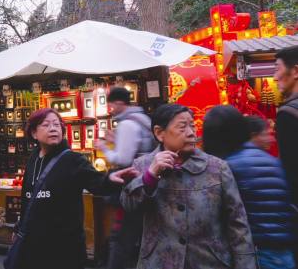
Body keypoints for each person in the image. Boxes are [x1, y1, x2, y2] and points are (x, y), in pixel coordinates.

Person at [121, 103, 257, 268]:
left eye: (192, 126)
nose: (191, 133)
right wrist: (151, 175)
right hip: (159, 262)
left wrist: (246, 264)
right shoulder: (142, 166)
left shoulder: (217, 168)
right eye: (182, 127)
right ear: (159, 133)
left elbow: (237, 223)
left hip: (209, 262)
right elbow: (129, 205)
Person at [5, 108, 137, 269]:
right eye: (46, 125)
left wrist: (110, 179)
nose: (53, 128)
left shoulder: (73, 160)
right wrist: (19, 228)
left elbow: (97, 183)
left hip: (64, 247)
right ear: (34, 133)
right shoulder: (33, 159)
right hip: (33, 245)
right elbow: (27, 198)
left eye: (56, 124)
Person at [203, 105, 295, 269]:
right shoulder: (271, 161)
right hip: (281, 251)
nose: (271, 138)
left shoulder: (229, 166)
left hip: (255, 253)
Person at [95, 87, 156, 269]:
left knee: (122, 235)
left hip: (132, 185)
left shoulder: (127, 124)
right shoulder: (142, 118)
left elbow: (122, 159)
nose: (110, 108)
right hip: (146, 182)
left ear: (120, 103)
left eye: (111, 104)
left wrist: (103, 147)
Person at [273, 45, 298, 203]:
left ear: (295, 71)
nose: (275, 77)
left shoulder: (288, 114)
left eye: (277, 69)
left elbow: (291, 172)